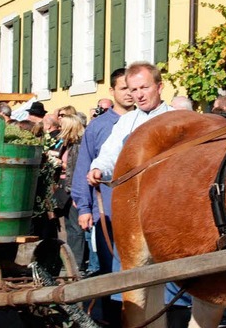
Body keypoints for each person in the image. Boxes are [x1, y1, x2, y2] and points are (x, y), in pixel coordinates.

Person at [87, 61, 192, 327]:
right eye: (134, 89)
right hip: (132, 207)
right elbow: (111, 151)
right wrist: (98, 167)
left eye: (144, 87)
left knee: (173, 274)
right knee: (130, 276)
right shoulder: (126, 123)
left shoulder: (179, 119)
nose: (139, 94)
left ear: (159, 87)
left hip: (170, 208)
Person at [71, 68, 134, 326]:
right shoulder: (99, 126)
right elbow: (83, 166)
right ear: (112, 92)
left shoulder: (147, 121)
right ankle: (110, 321)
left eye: (134, 89)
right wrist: (84, 208)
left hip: (138, 209)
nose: (131, 94)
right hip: (106, 209)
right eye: (124, 89)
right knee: (110, 272)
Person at [51, 114, 87, 271]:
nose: (59, 129)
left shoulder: (78, 145)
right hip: (65, 185)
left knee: (75, 227)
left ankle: (76, 264)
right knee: (68, 225)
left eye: (62, 126)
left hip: (73, 186)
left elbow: (78, 168)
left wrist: (60, 163)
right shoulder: (67, 144)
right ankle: (71, 261)